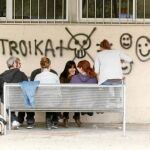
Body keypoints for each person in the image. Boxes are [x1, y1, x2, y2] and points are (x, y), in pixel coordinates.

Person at [0, 56, 29, 129]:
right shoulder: (22, 74)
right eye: (19, 63)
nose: (20, 65)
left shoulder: (2, 75)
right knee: (26, 98)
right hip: (20, 100)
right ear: (14, 64)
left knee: (5, 99)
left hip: (7, 101)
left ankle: (14, 120)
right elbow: (27, 88)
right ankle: (19, 120)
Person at [34, 57, 60, 129]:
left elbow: (34, 90)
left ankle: (49, 120)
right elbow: (59, 91)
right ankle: (52, 121)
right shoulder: (55, 76)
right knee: (52, 99)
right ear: (50, 65)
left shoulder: (37, 76)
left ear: (41, 66)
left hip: (41, 101)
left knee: (47, 99)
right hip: (52, 101)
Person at [70, 60, 98, 127]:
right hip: (91, 103)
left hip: (78, 104)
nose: (77, 69)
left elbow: (70, 91)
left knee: (76, 98)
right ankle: (88, 111)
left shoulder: (74, 78)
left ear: (81, 68)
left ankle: (83, 111)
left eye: (78, 67)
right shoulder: (94, 78)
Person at [59, 60, 78, 127]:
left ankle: (77, 117)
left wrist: (75, 77)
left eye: (74, 67)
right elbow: (62, 86)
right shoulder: (63, 75)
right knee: (68, 99)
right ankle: (65, 118)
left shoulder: (77, 75)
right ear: (67, 68)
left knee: (78, 98)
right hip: (66, 95)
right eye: (70, 68)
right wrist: (70, 76)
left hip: (75, 95)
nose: (72, 69)